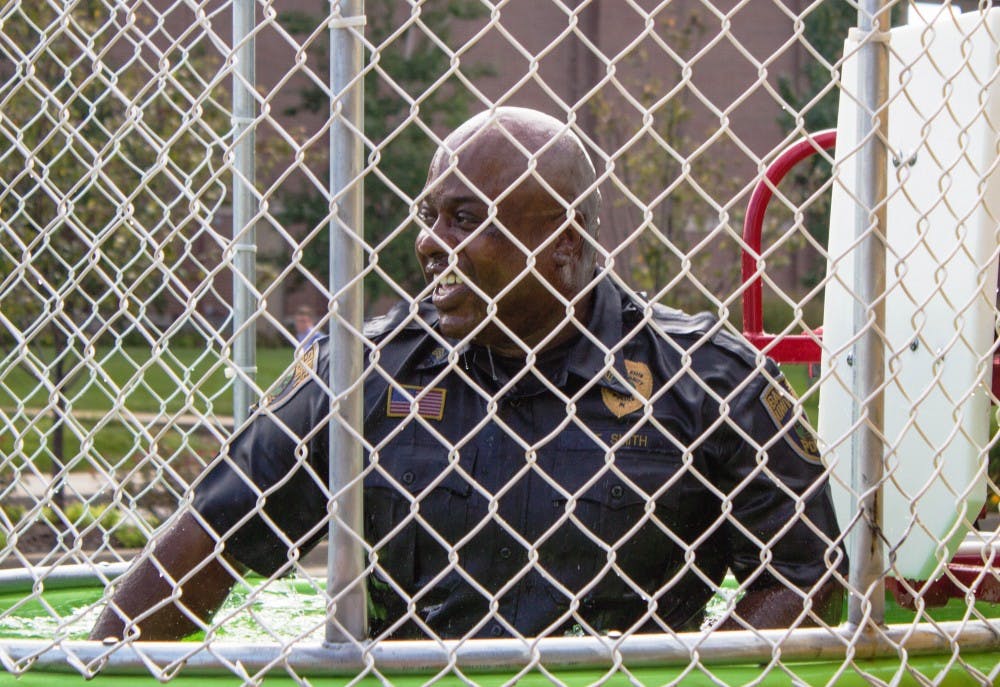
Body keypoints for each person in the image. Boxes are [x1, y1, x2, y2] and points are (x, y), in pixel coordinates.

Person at [90, 107, 846, 642]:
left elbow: (812, 572)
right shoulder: (361, 368)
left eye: (463, 217)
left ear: (564, 245)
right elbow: (206, 538)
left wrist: (681, 675)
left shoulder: (706, 378)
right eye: (428, 214)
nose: (428, 242)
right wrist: (104, 668)